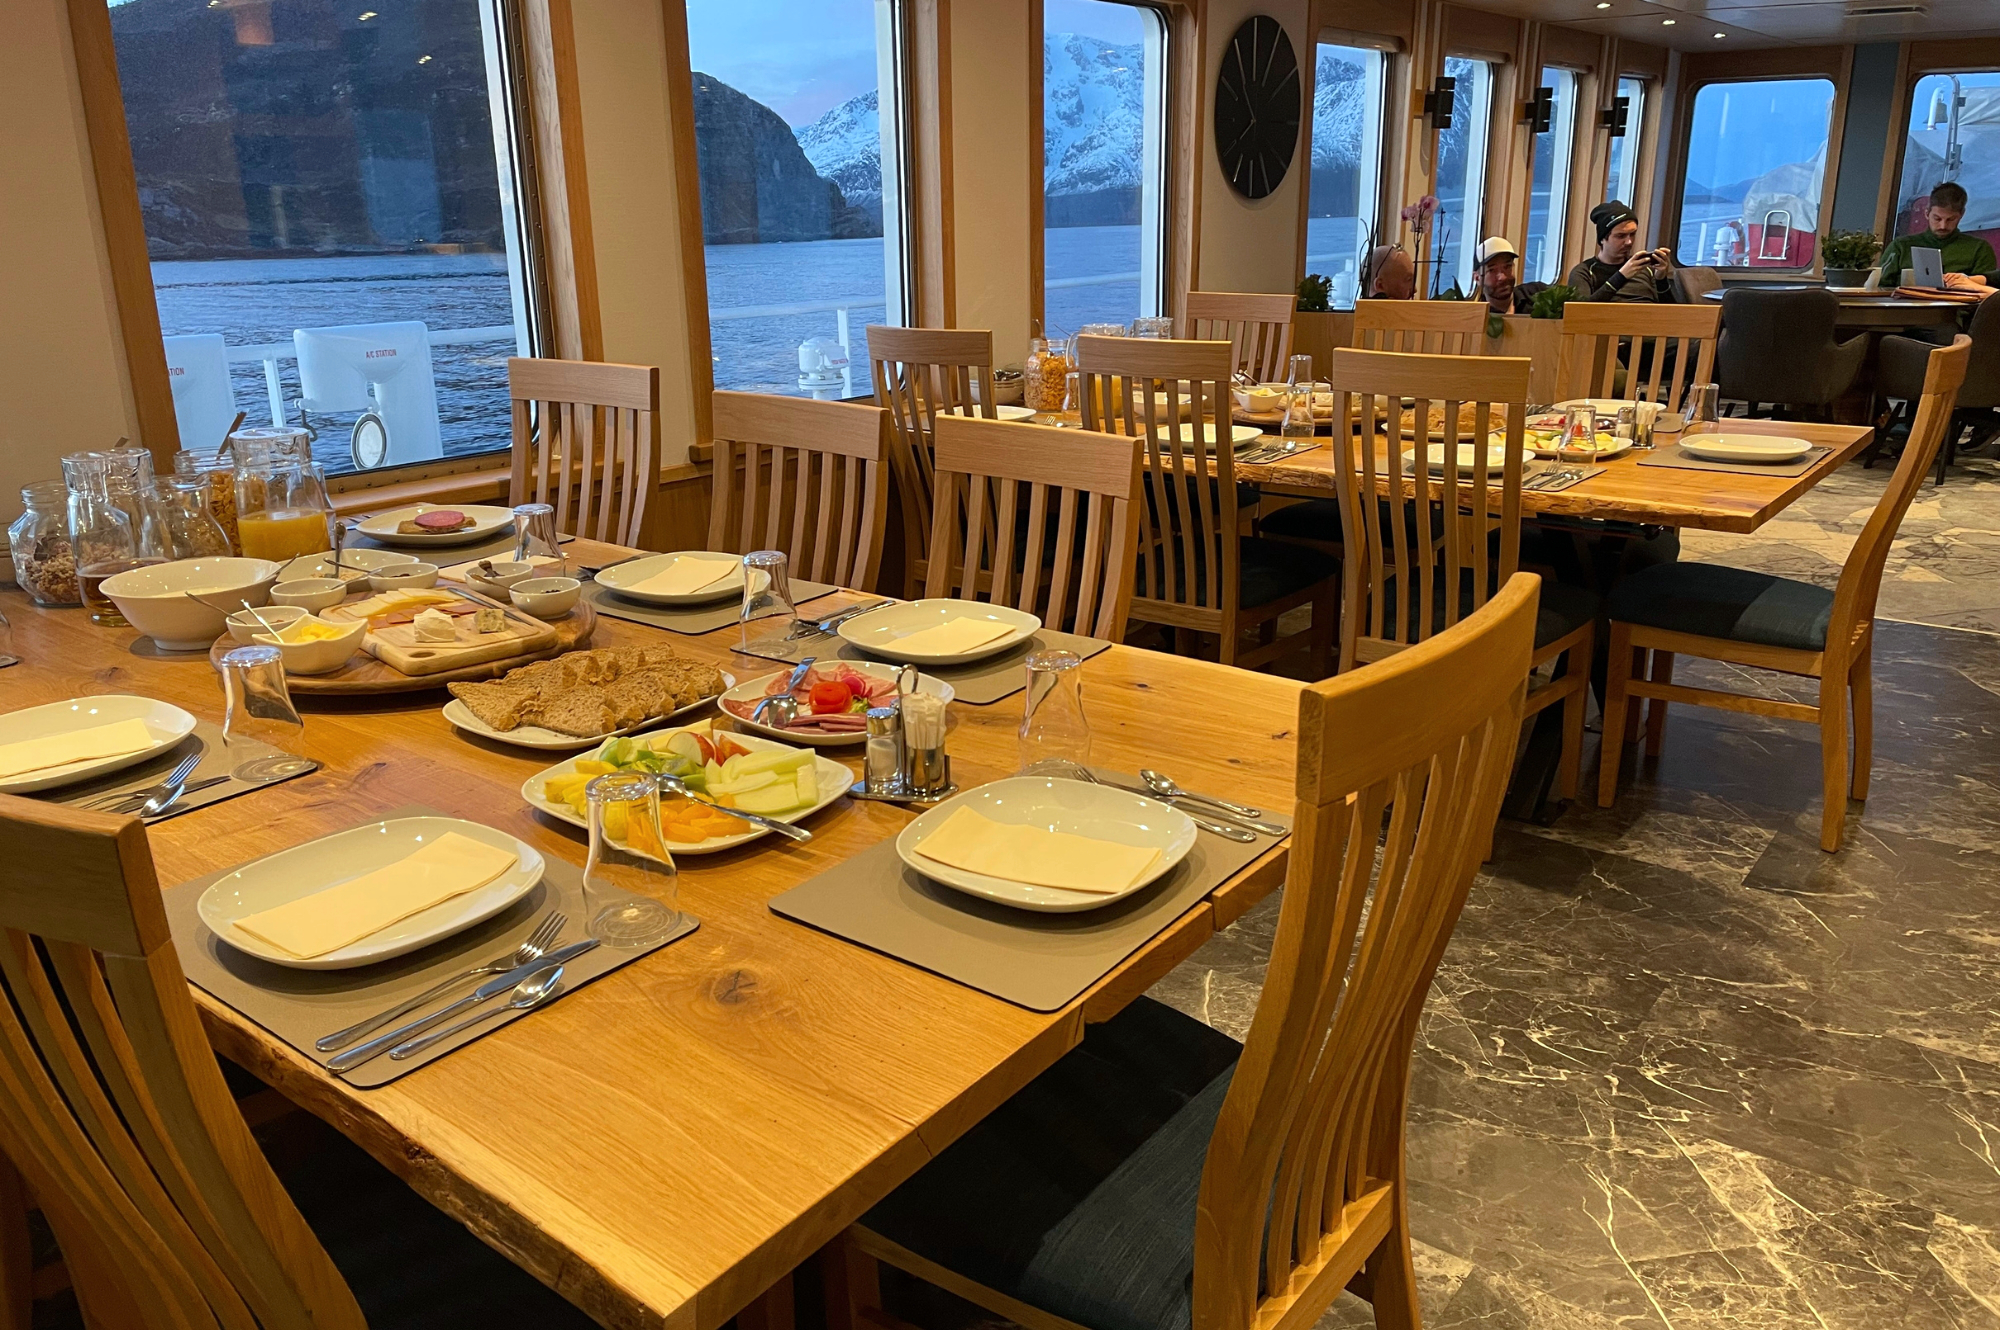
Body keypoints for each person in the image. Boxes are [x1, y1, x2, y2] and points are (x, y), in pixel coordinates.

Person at [1878, 182, 1997, 289]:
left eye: (1951, 219)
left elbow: (1987, 296)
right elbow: (1879, 287)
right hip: (1905, 310)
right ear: (1926, 213)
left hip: (1957, 311)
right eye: (1937, 218)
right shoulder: (1901, 246)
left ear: (1961, 215)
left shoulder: (1979, 249)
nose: (1943, 226)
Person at [1566, 201, 1680, 303]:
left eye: (1632, 234)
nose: (1629, 242)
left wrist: (1661, 280)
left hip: (1648, 322)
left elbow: (1672, 314)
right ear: (1602, 239)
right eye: (1620, 236)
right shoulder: (1585, 272)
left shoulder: (1646, 269)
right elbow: (1580, 313)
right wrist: (1621, 277)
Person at [1473, 237, 1536, 314]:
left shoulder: (1538, 296)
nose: (1502, 277)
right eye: (1492, 270)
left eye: (1507, 267)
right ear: (1477, 278)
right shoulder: (1476, 316)